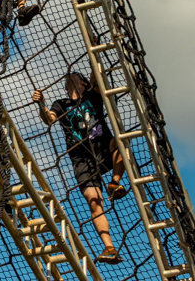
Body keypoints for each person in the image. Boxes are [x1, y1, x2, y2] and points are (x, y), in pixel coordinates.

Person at [32, 74, 127, 264]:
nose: (70, 76)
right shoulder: (61, 104)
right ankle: (109, 247)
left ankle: (115, 182)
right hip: (81, 158)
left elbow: (95, 74)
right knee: (93, 201)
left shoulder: (93, 94)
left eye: (75, 76)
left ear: (83, 82)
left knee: (121, 141)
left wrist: (92, 44)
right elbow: (49, 119)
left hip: (102, 148)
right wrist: (41, 103)